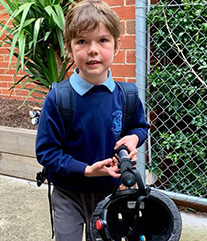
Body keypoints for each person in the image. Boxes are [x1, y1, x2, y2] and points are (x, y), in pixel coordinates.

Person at [35, 1, 150, 240]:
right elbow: (46, 152)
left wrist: (134, 138)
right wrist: (86, 170)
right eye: (82, 41)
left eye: (102, 40)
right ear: (69, 48)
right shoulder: (59, 98)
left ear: (117, 46)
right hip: (68, 193)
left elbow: (140, 126)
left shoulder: (127, 96)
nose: (93, 50)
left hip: (112, 192)